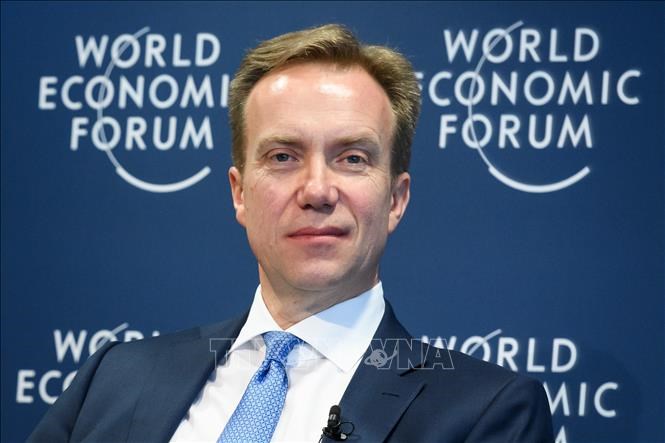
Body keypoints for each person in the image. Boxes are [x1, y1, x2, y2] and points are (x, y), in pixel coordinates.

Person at [28, 24, 554, 442]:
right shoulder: (114, 377)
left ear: (395, 199)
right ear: (239, 193)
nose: (317, 190)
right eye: (283, 157)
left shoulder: (485, 413)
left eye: (352, 158)